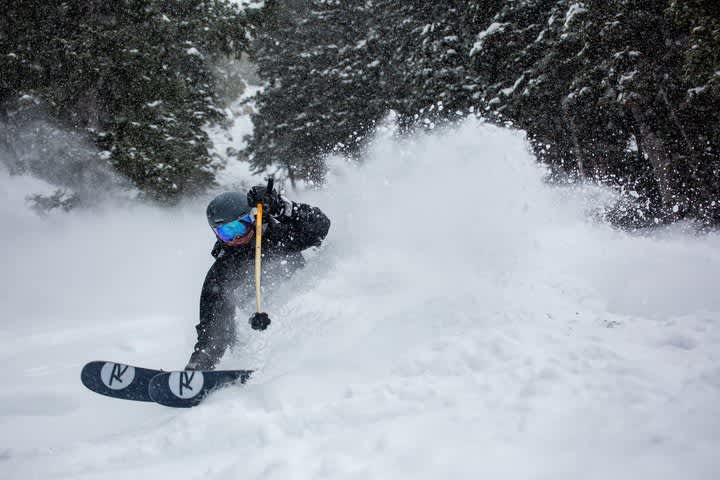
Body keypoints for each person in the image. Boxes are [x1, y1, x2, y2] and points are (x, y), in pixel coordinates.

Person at [185, 183, 331, 371]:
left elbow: (320, 227)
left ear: (252, 218)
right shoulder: (223, 271)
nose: (235, 237)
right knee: (223, 310)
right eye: (225, 232)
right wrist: (202, 360)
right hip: (260, 327)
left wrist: (282, 207)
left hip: (306, 313)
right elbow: (213, 325)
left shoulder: (277, 236)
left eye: (238, 227)